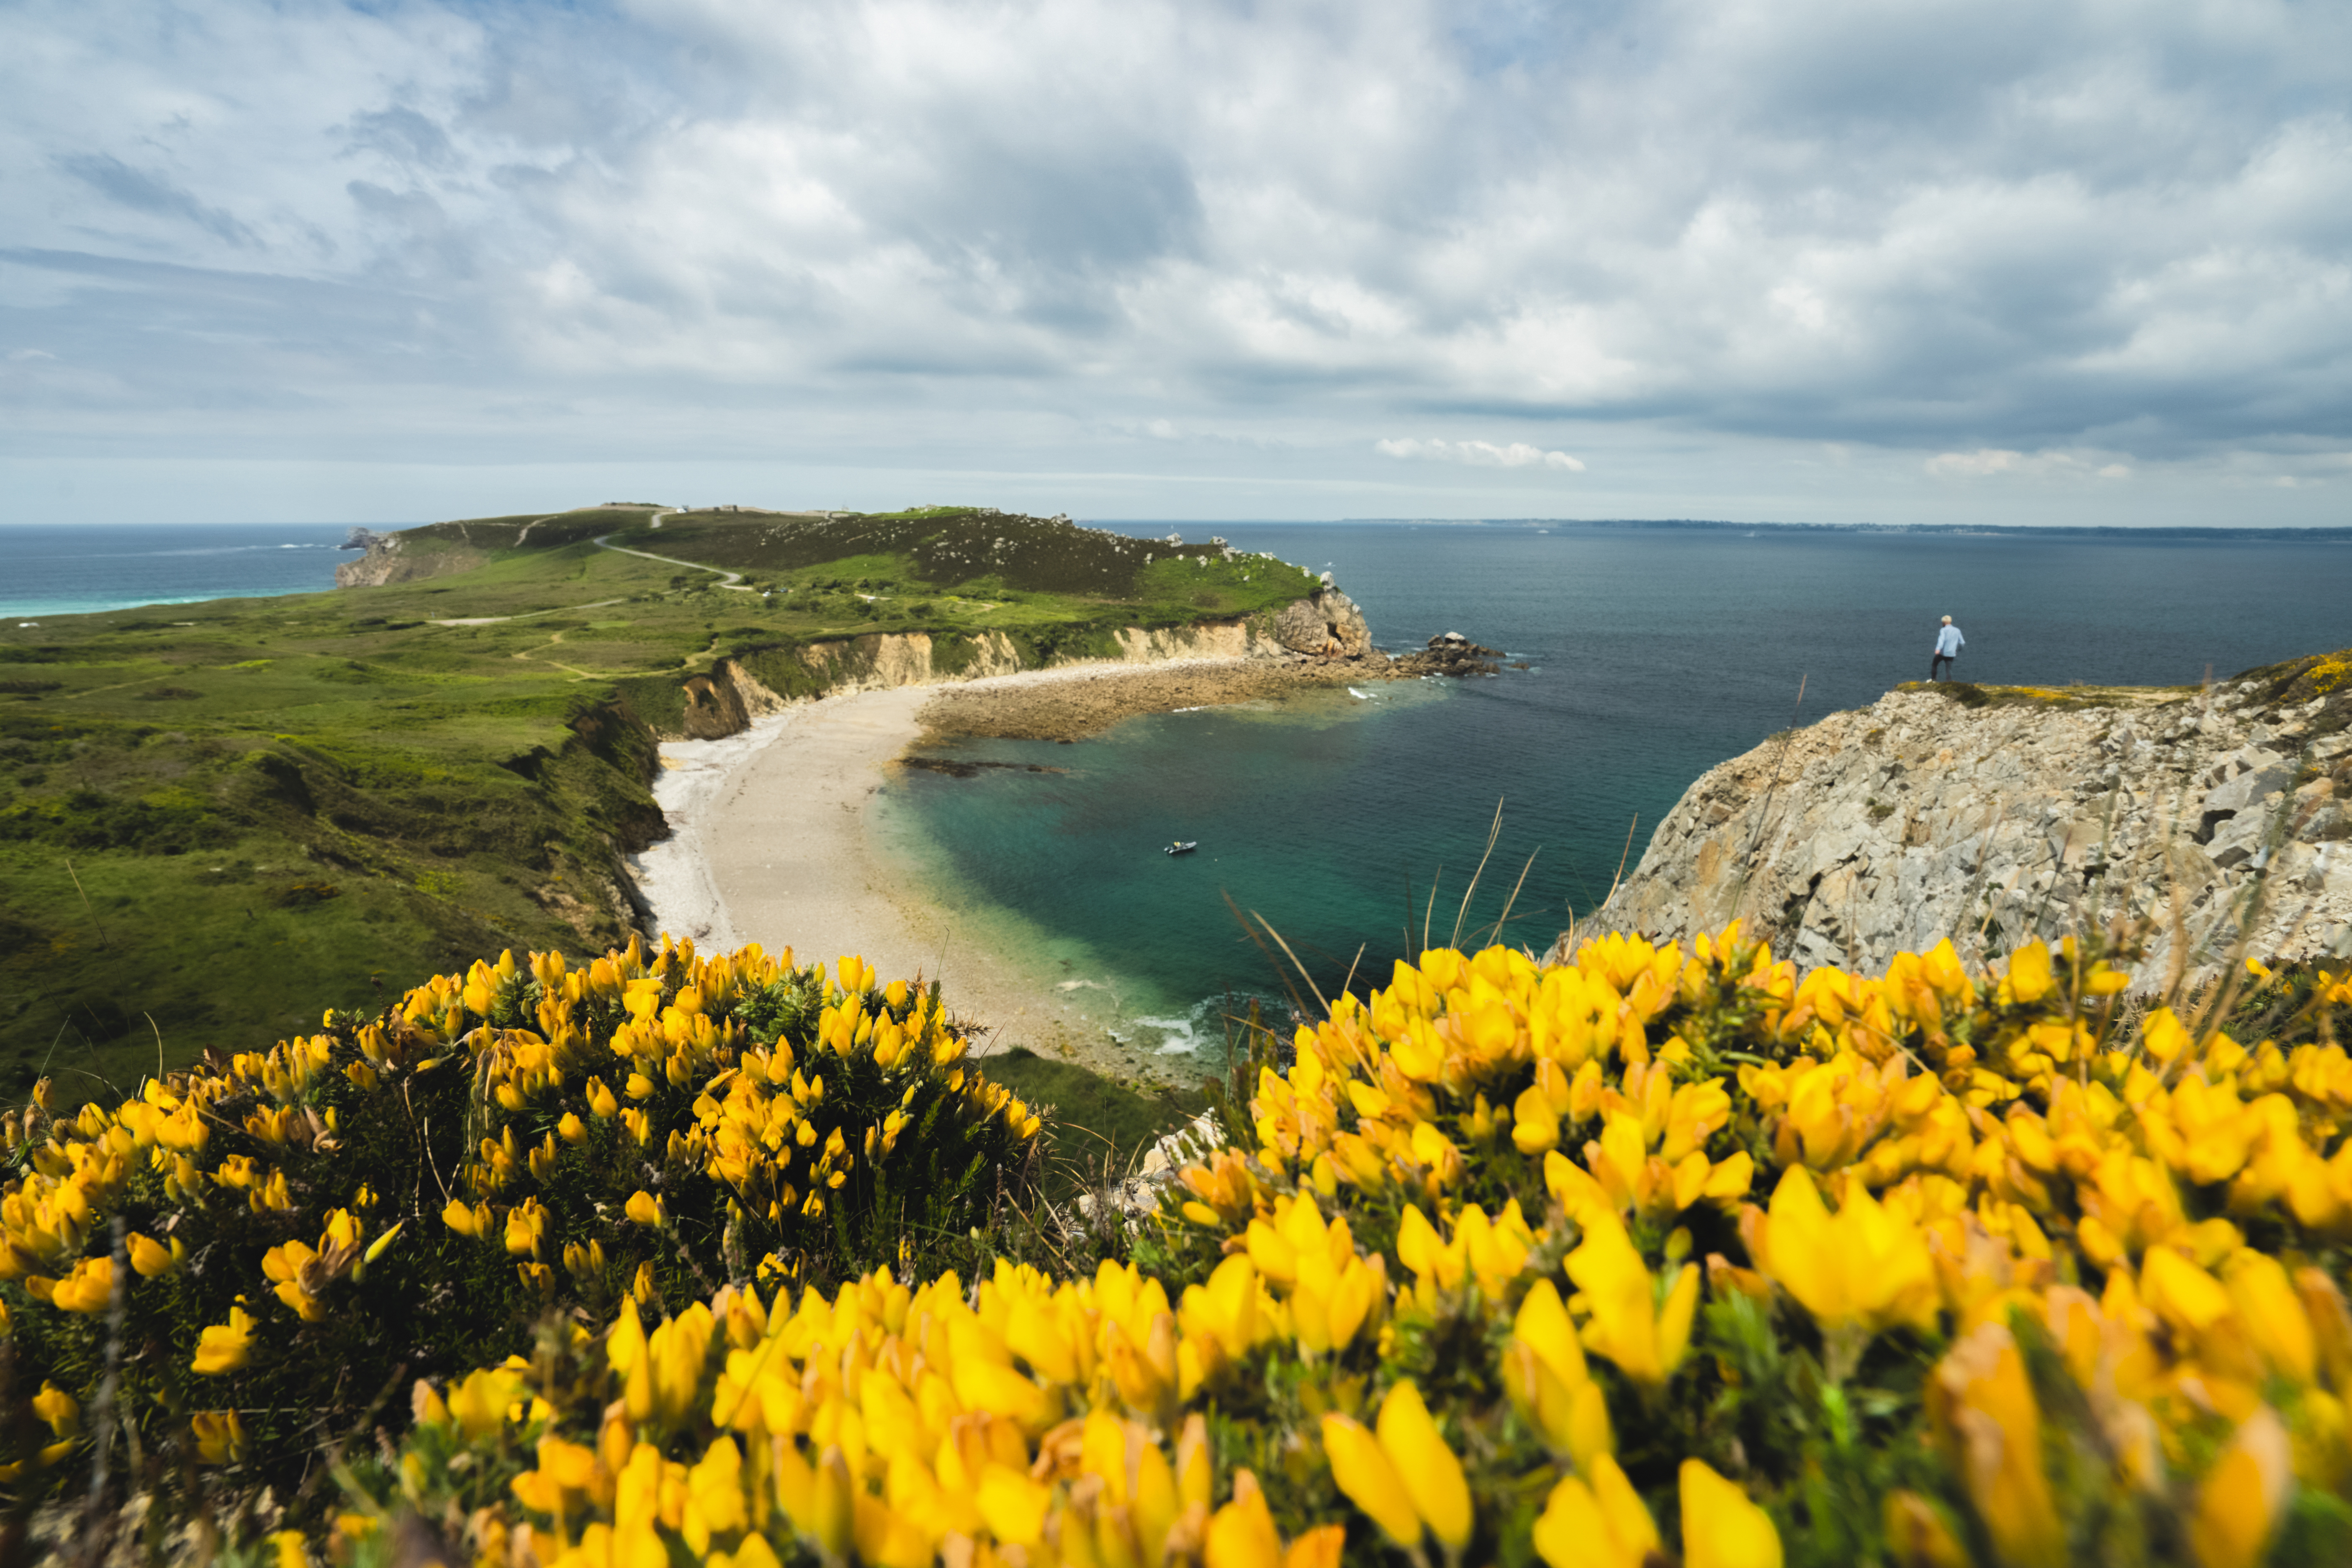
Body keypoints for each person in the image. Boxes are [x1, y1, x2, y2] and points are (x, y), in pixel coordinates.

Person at [1930, 615, 1964, 681]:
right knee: (1949, 669)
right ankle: (1949, 682)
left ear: (1944, 623)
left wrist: (1938, 649)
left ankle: (1934, 681)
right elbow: (1962, 643)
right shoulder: (1957, 630)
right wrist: (1958, 650)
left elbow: (1941, 640)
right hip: (1952, 653)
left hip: (1943, 653)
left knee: (1934, 664)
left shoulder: (1943, 630)